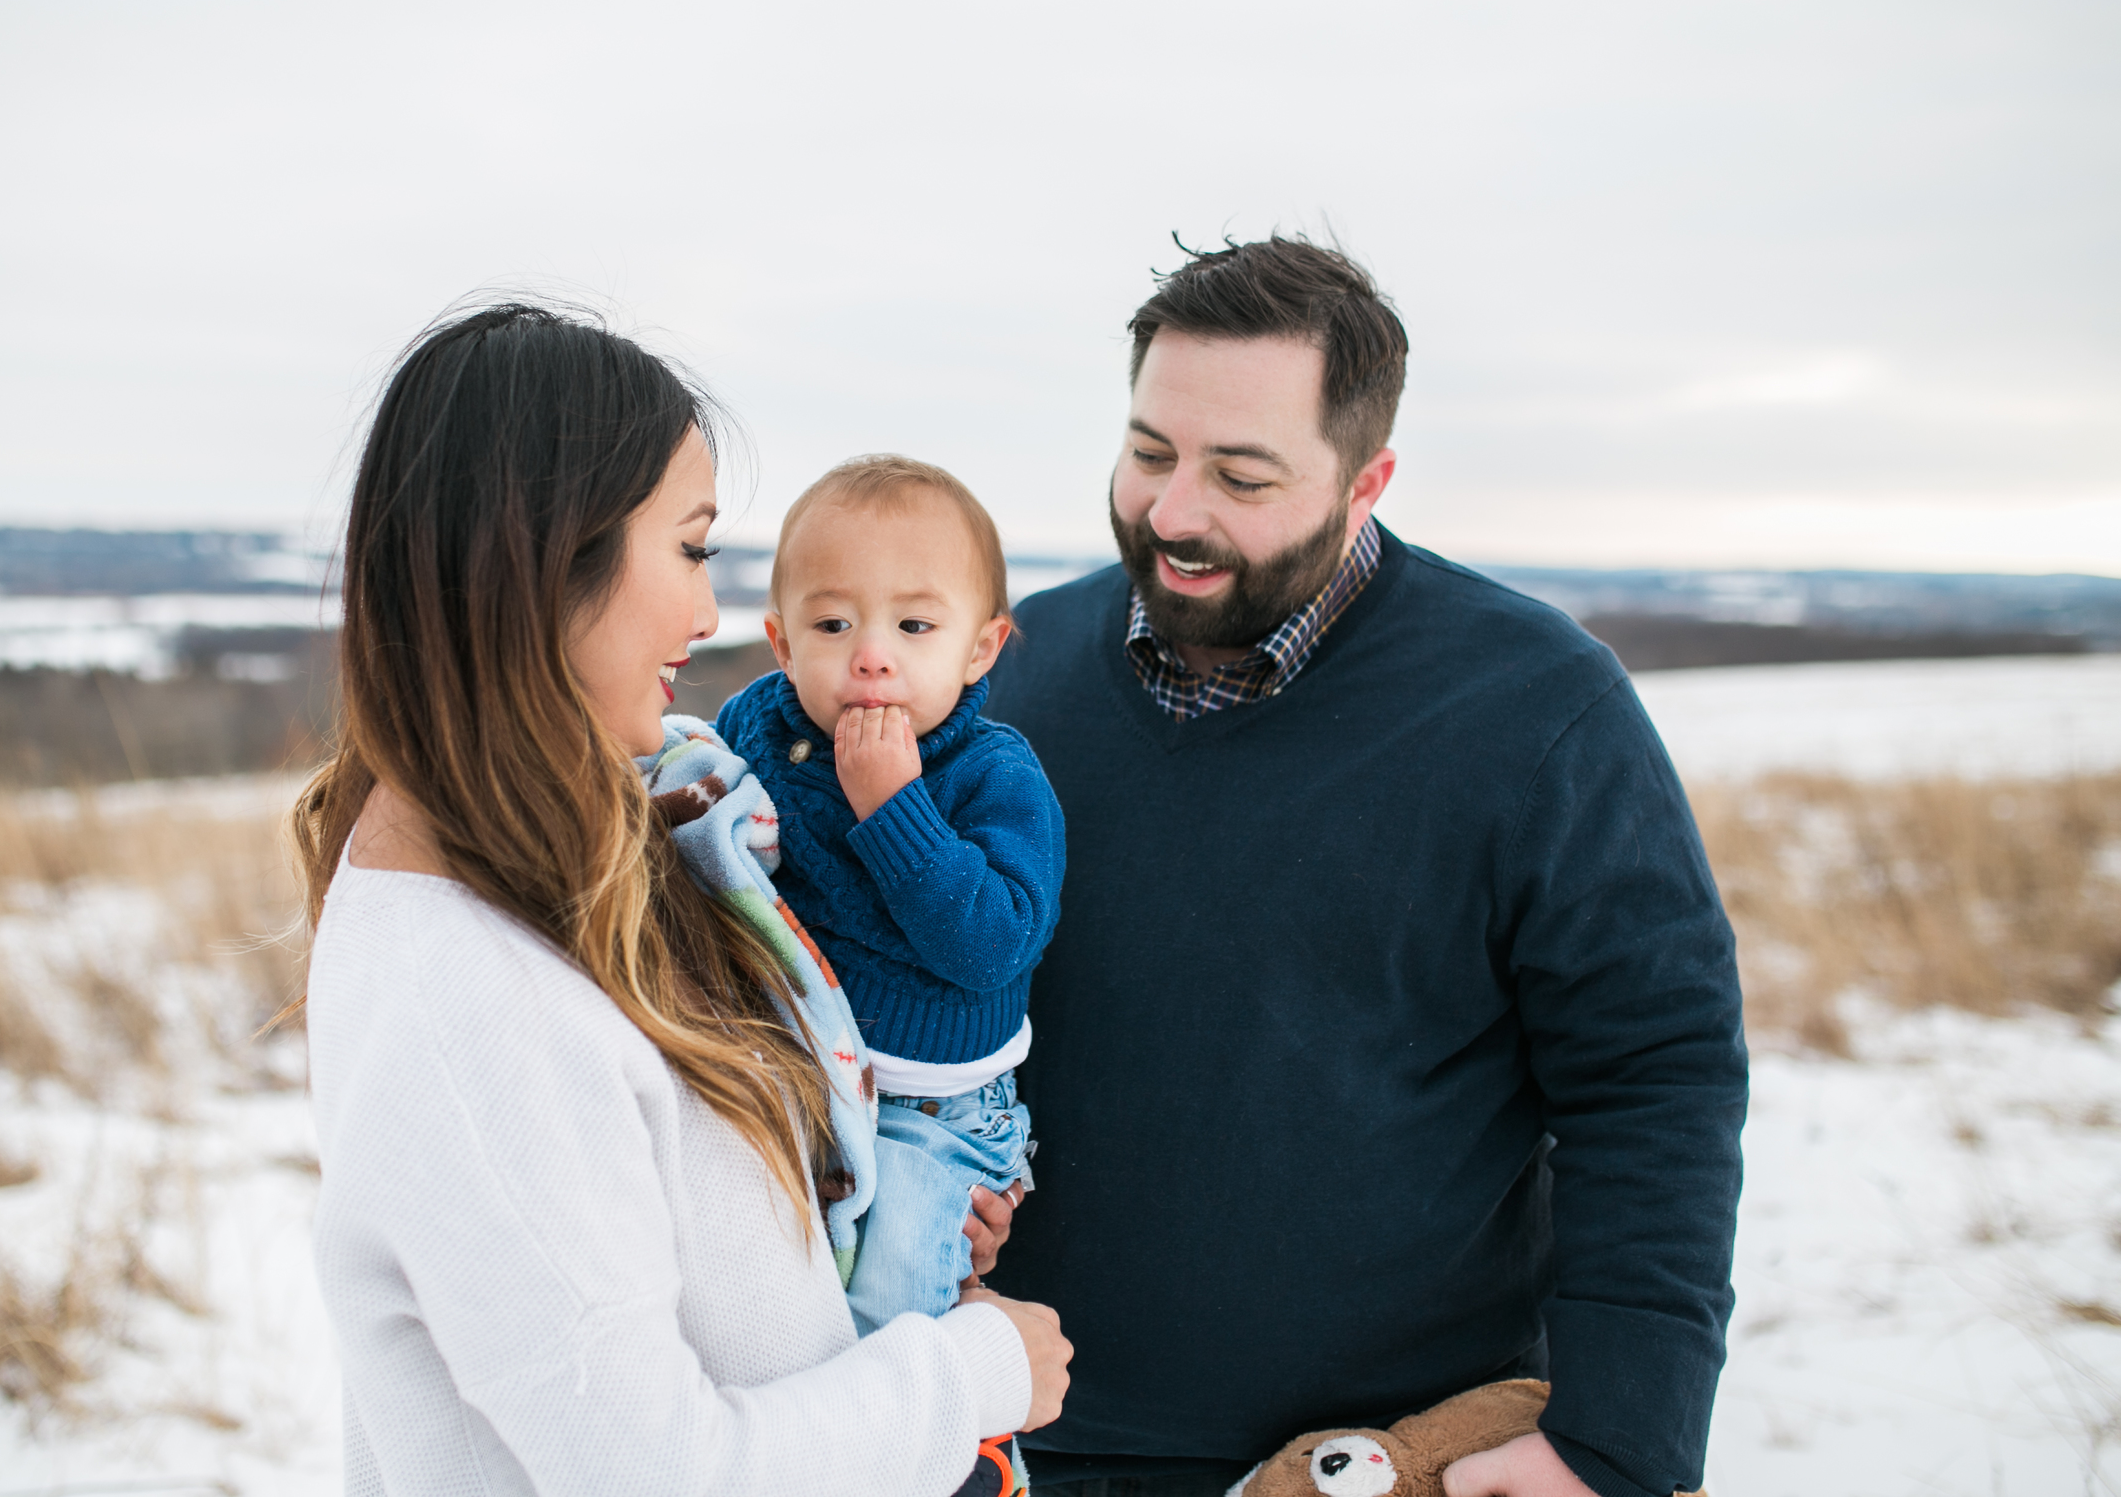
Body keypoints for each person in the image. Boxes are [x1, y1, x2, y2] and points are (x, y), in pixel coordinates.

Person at [983, 239, 1748, 1497]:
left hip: (1383, 1458)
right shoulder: (1010, 673)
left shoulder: (1538, 708)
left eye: (1241, 474)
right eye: (1149, 452)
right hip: (1011, 1435)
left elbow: (1652, 1072)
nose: (1175, 511)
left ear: (1365, 479)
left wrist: (1617, 1435)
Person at [294, 304, 1070, 1496]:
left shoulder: (596, 848)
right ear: (553, 559)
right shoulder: (463, 998)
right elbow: (653, 1470)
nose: (710, 617)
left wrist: (888, 1209)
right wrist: (970, 1374)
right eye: (694, 547)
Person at [715, 456, 1065, 1332]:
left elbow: (991, 945)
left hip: (932, 1108)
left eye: (914, 625)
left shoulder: (993, 773)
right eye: (833, 624)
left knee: (889, 1305)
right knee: (776, 1299)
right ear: (783, 642)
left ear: (979, 646)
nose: (871, 657)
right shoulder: (758, 729)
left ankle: (934, 1455)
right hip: (793, 1078)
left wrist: (895, 808)